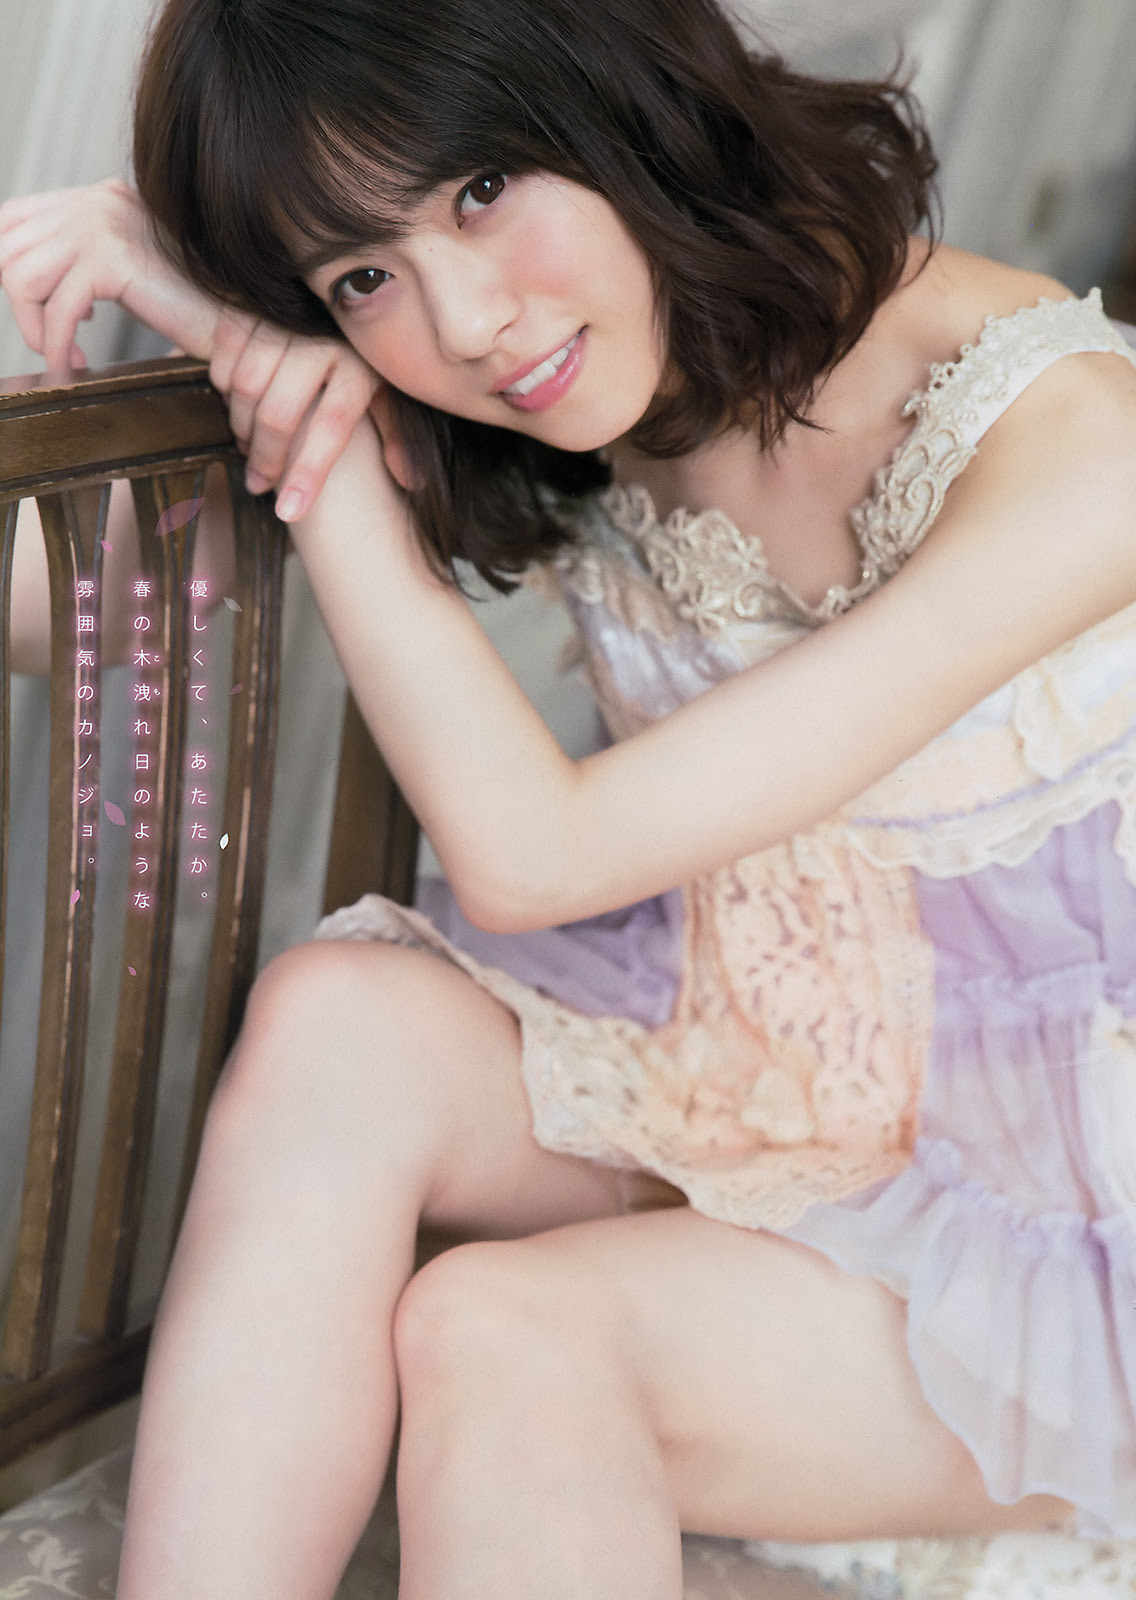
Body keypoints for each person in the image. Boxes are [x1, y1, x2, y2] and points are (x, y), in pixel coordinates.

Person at [2, 0, 1136, 1595]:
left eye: (481, 189)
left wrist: (312, 435)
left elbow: (537, 857)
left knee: (508, 1333)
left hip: (1067, 1219)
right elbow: (76, 609)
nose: (466, 320)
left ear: (622, 92)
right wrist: (234, 337)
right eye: (360, 275)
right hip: (764, 1053)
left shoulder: (1076, 442)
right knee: (340, 1024)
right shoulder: (576, 362)